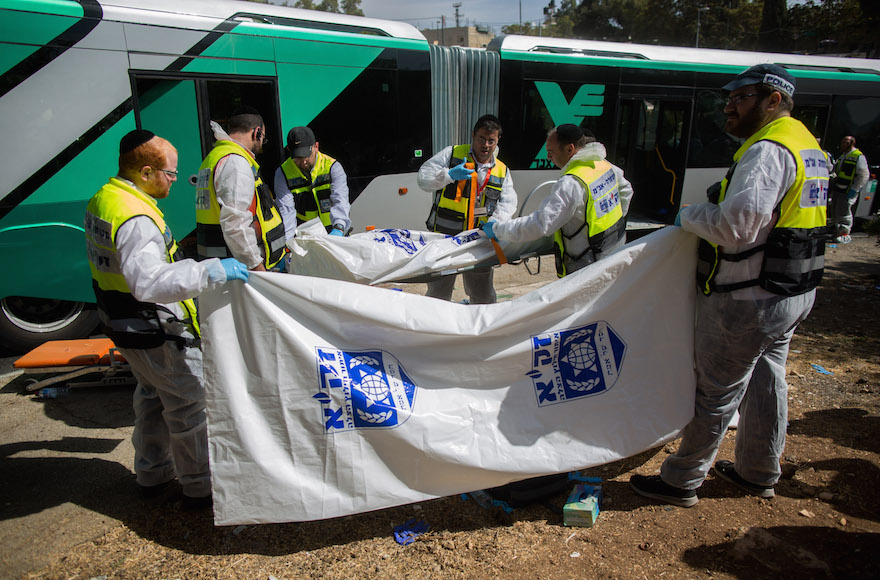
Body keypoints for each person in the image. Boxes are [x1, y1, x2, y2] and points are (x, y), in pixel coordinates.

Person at [629, 64, 829, 507]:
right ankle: (758, 470)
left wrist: (686, 215)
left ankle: (682, 480)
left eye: (740, 97)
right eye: (729, 98)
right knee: (766, 379)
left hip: (748, 295)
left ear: (773, 100)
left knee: (717, 390)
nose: (729, 106)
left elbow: (737, 225)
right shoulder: (806, 145)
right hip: (793, 290)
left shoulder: (767, 150)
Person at [84, 130, 250, 509]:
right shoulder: (136, 218)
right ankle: (199, 489)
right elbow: (148, 281)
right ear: (145, 172)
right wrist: (209, 271)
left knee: (152, 398)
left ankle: (152, 473)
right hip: (153, 329)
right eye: (171, 174)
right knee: (190, 404)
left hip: (122, 323)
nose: (174, 181)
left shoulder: (105, 199)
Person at [483, 124, 633, 277]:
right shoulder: (603, 165)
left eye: (551, 152)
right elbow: (626, 190)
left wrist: (498, 229)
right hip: (614, 251)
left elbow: (541, 224)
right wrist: (614, 222)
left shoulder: (572, 183)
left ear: (569, 149)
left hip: (586, 267)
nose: (548, 157)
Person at [418, 114, 518, 304]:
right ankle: (434, 327)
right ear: (473, 135)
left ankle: (482, 327)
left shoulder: (502, 169)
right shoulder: (452, 154)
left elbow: (508, 201)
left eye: (491, 140)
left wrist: (497, 220)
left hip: (478, 240)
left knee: (482, 293)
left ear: (497, 141)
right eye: (482, 138)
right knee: (439, 291)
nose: (486, 145)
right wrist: (448, 175)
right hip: (446, 238)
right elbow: (423, 179)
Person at [195, 106, 287, 270]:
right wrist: (256, 266)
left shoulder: (214, 157)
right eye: (263, 138)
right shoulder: (236, 163)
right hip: (241, 269)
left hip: (223, 263)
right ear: (257, 133)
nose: (262, 144)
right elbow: (236, 225)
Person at [273, 126, 351, 238]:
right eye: (298, 157)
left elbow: (340, 200)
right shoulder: (283, 173)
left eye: (307, 155)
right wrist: (288, 243)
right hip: (305, 236)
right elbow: (286, 211)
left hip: (334, 231)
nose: (303, 161)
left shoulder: (332, 167)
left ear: (316, 147)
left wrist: (339, 228)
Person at [829, 135, 869, 243]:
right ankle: (837, 231)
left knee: (844, 212)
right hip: (839, 189)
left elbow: (864, 175)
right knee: (836, 211)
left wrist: (855, 189)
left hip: (847, 190)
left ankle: (844, 233)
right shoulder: (843, 156)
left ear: (852, 143)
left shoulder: (858, 156)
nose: (842, 144)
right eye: (842, 142)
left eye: (845, 142)